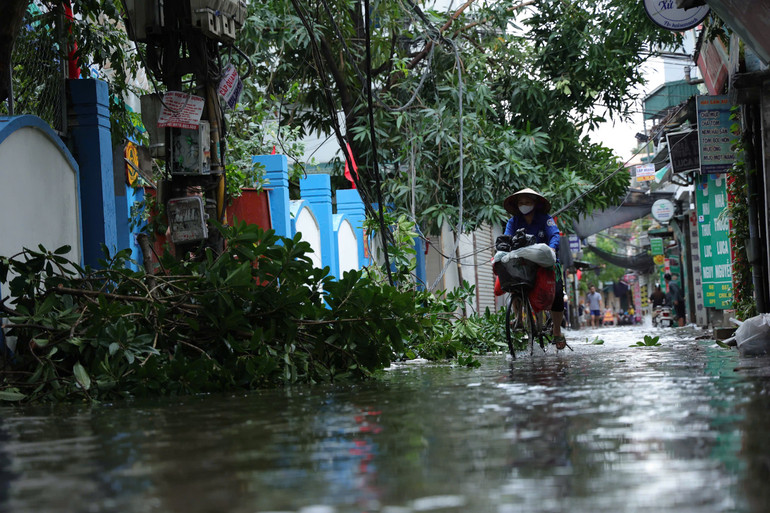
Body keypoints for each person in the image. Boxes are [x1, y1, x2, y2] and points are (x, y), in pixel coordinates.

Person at [502, 188, 566, 349]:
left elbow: (555, 235)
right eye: (521, 203)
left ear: (535, 204)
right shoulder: (513, 222)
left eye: (528, 202)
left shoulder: (546, 219)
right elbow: (507, 237)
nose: (524, 205)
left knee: (557, 294)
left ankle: (557, 331)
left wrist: (552, 249)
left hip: (546, 263)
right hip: (524, 263)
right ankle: (518, 319)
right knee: (513, 283)